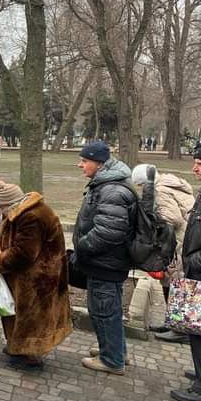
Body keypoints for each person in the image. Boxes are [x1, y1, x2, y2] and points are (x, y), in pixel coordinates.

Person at [72, 141, 136, 375]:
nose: (80, 165)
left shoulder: (112, 190)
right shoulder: (106, 185)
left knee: (104, 311)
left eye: (84, 161)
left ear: (99, 163)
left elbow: (109, 232)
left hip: (105, 263)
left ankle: (112, 360)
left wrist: (82, 246)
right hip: (104, 263)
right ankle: (114, 350)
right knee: (109, 309)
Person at [0, 181, 72, 371]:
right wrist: (1, 246)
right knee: (22, 314)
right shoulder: (24, 212)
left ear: (8, 204)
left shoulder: (31, 217)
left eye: (1, 207)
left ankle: (30, 355)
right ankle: (19, 348)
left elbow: (23, 254)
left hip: (38, 278)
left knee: (32, 317)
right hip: (32, 275)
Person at [129, 164, 195, 342]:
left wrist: (150, 220)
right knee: (172, 282)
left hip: (180, 242)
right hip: (185, 239)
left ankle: (181, 329)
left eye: (141, 186)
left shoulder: (161, 190)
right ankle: (171, 322)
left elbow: (171, 218)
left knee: (177, 283)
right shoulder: (169, 183)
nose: (142, 190)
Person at [170, 144, 201, 401]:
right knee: (195, 330)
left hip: (199, 271)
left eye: (200, 163)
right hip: (195, 273)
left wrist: (193, 260)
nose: (195, 168)